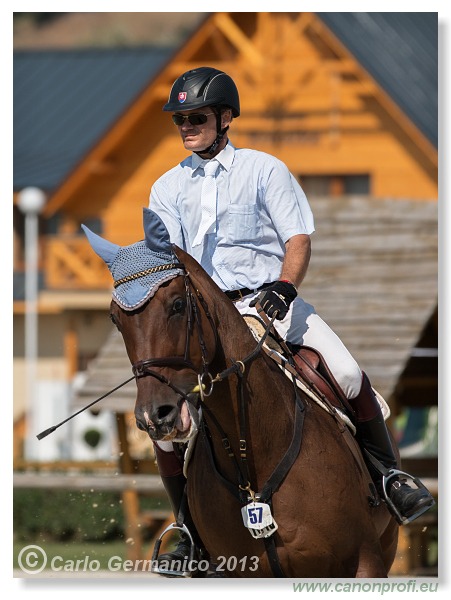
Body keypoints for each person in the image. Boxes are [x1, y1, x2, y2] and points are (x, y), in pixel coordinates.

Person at [148, 66, 434, 568]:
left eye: (195, 116)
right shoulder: (166, 188)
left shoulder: (265, 169)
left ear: (224, 117)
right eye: (180, 119)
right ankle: (187, 528)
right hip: (205, 319)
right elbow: (167, 258)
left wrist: (285, 285)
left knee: (345, 371)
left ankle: (391, 478)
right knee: (166, 417)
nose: (186, 126)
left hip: (268, 301)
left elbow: (297, 239)